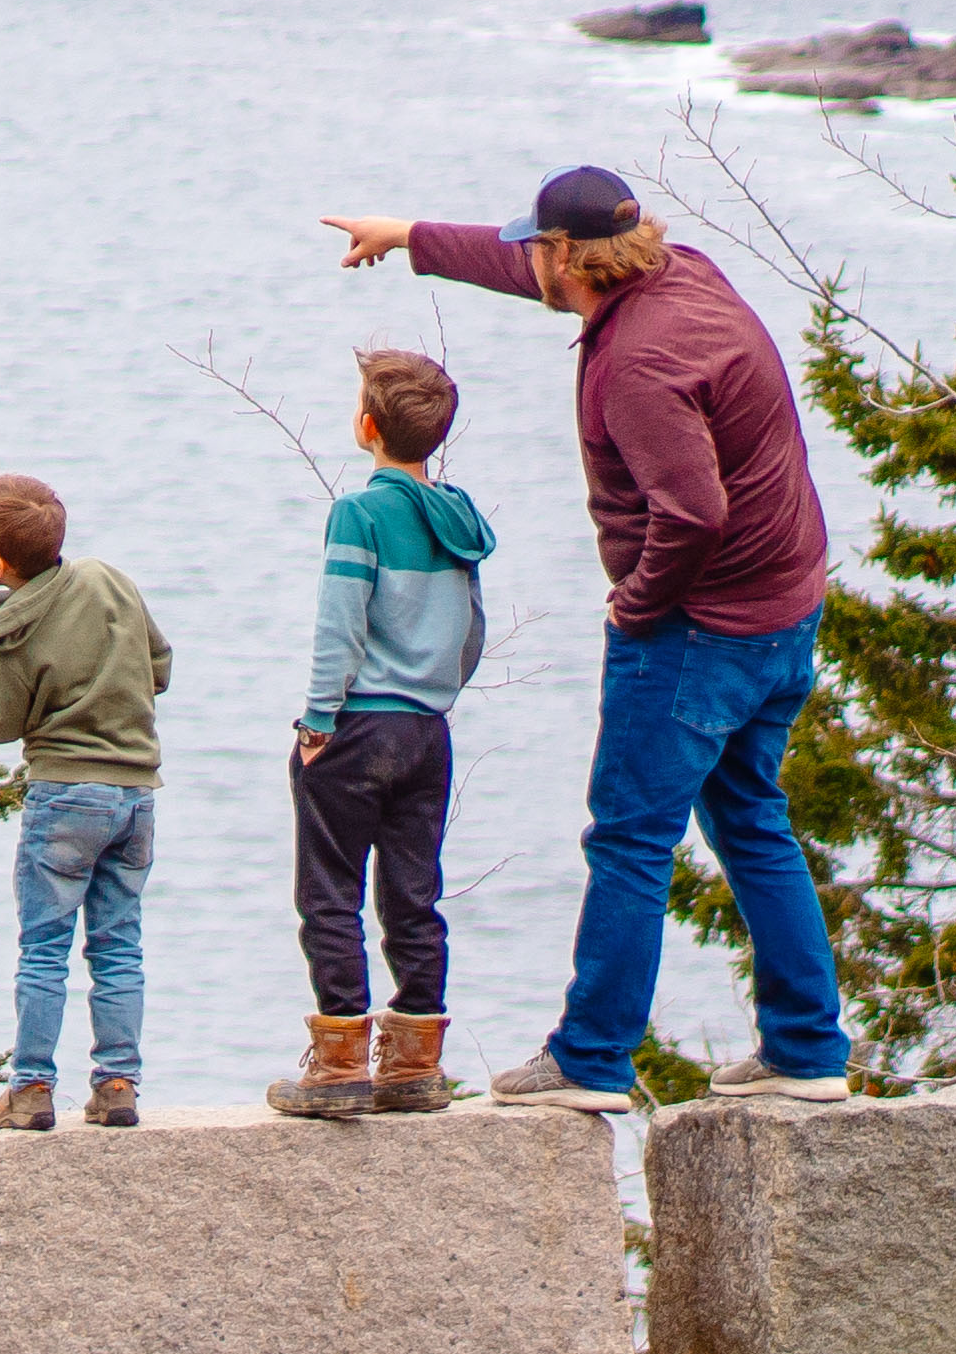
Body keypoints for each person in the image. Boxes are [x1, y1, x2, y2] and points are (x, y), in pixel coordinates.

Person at [310, 163, 847, 1105]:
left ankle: (591, 1059)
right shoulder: (684, 273)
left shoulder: (639, 363)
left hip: (699, 628)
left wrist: (636, 604)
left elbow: (691, 512)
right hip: (785, 606)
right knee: (754, 822)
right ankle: (807, 1052)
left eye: (540, 248)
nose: (533, 263)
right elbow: (530, 273)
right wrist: (409, 236)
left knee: (632, 840)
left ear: (570, 255)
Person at [265, 343, 492, 1120]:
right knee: (413, 893)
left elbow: (340, 625)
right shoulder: (460, 517)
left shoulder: (359, 512)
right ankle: (415, 1060)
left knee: (330, 893)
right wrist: (438, 694)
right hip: (428, 730)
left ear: (367, 427)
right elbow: (472, 631)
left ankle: (338, 1064)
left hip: (359, 725)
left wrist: (319, 719)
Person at [0, 468, 167, 1130]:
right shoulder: (109, 579)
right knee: (119, 946)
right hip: (137, 793)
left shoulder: (4, 622)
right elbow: (160, 665)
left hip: (64, 794)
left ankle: (31, 1088)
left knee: (44, 948)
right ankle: (118, 1084)